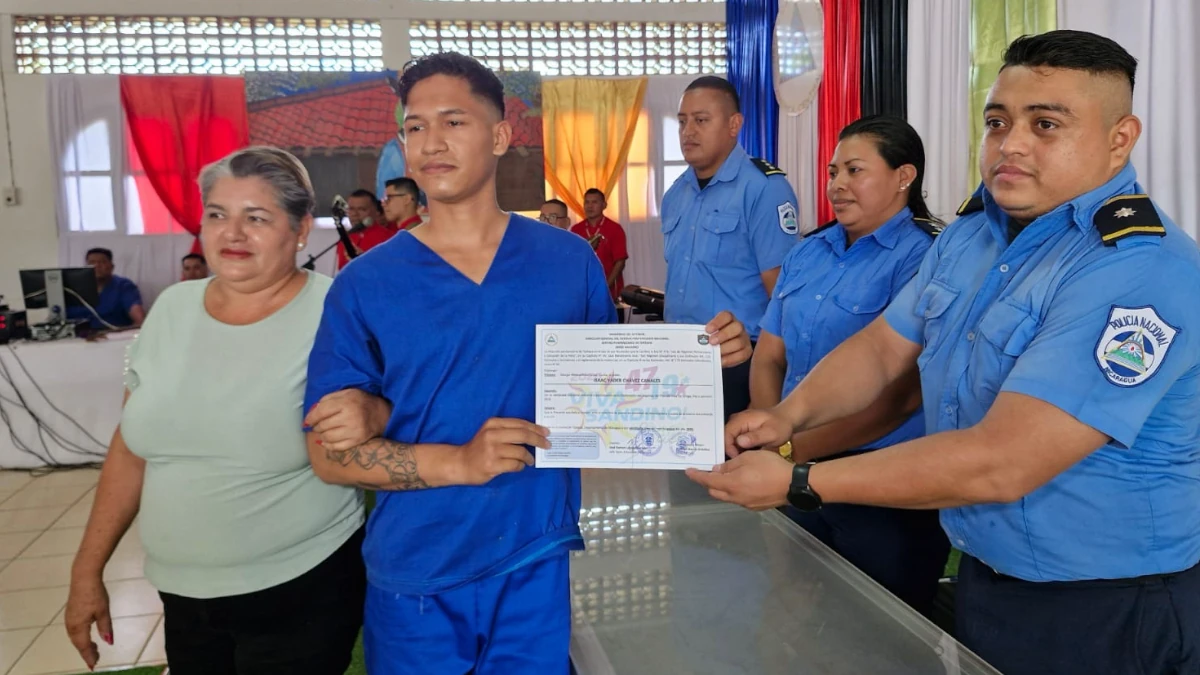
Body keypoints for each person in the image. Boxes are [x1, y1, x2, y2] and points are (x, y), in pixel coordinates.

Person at [689, 31, 1200, 675]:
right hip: (989, 576)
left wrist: (798, 479)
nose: (1011, 144)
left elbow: (1003, 461)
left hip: (1108, 605)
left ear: (1120, 139)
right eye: (997, 122)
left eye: (1046, 124)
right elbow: (882, 350)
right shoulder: (971, 236)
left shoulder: (1138, 268)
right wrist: (787, 417)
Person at [301, 52, 751, 675]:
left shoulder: (568, 261)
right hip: (417, 573)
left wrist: (700, 362)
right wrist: (458, 461)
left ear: (500, 136)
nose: (431, 142)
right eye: (414, 126)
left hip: (535, 558)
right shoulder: (363, 284)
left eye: (454, 121)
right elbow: (329, 456)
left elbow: (613, 401)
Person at [64, 147, 388, 675]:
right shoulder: (173, 308)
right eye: (218, 214)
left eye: (256, 218)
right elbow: (131, 448)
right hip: (179, 592)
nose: (232, 233)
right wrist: (86, 569)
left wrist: (379, 411)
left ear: (300, 230)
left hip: (298, 590)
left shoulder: (337, 312)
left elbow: (411, 408)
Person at [753, 115, 946, 615]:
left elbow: (900, 398)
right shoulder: (808, 252)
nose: (837, 185)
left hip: (880, 486)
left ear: (904, 176)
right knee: (795, 616)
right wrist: (770, 433)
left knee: (882, 629)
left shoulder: (928, 257)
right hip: (789, 466)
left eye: (854, 171)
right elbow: (769, 356)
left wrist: (788, 450)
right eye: (833, 172)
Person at [662, 76, 800, 418]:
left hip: (737, 360)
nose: (688, 132)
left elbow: (784, 298)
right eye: (682, 122)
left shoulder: (764, 189)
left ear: (734, 125)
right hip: (679, 359)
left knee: (732, 451)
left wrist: (768, 385)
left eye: (701, 120)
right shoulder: (675, 193)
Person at [570, 188, 628, 301]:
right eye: (587, 202)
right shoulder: (576, 229)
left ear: (604, 205)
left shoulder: (615, 229)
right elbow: (573, 260)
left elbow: (620, 262)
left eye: (594, 202)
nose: (590, 206)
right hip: (584, 291)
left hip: (609, 291)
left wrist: (605, 287)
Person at [67, 248, 145, 329]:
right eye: (92, 262)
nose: (97, 266)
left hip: (112, 334)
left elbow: (140, 320)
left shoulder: (124, 287)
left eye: (102, 262)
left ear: (112, 267)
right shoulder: (71, 289)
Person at [336, 189, 396, 269]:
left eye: (362, 209)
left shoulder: (389, 239)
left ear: (376, 211)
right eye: (351, 209)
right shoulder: (344, 239)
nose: (355, 214)